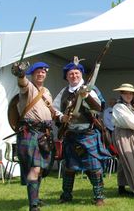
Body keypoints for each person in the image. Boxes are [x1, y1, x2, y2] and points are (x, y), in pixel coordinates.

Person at [54, 58, 111, 206]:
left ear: (81, 75)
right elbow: (54, 110)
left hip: (88, 133)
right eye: (71, 74)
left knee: (95, 167)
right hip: (71, 135)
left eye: (77, 73)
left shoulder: (91, 89)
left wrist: (87, 97)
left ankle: (99, 197)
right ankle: (66, 196)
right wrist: (62, 117)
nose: (74, 76)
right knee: (69, 169)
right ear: (67, 76)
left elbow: (99, 107)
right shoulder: (63, 92)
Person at [11, 62, 59, 211]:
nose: (40, 74)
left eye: (43, 72)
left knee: (41, 170)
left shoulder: (47, 91)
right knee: (35, 168)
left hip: (44, 133)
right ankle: (33, 206)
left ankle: (36, 199)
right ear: (32, 74)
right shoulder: (28, 87)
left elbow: (51, 110)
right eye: (37, 72)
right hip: (30, 132)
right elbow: (22, 83)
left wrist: (60, 117)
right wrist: (21, 74)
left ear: (46, 74)